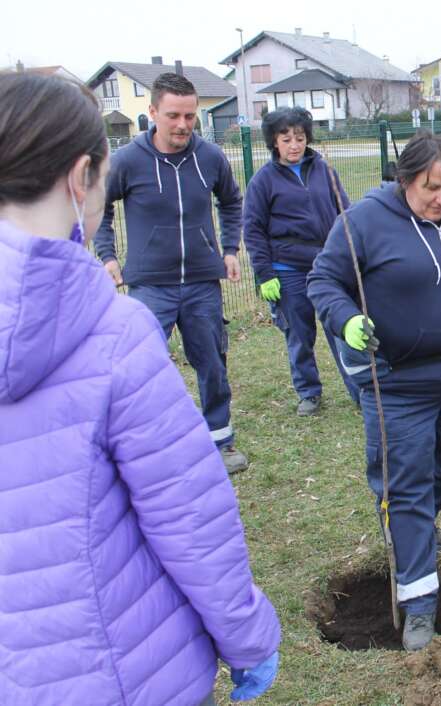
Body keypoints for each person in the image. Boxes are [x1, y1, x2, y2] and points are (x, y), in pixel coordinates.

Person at [0, 72, 279, 706]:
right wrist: (249, 639)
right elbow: (188, 517)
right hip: (130, 675)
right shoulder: (116, 336)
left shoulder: (208, 161)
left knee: (213, 364)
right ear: (83, 177)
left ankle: (224, 428)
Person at [307, 132, 441, 652]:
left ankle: (409, 520)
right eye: (430, 187)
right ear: (404, 178)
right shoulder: (363, 223)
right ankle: (418, 604)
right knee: (407, 484)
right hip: (398, 382)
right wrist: (347, 320)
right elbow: (323, 281)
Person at [94, 73, 248, 473]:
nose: (182, 125)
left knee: (212, 363)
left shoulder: (210, 157)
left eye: (190, 116)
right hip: (149, 286)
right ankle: (151, 446)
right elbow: (98, 209)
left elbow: (232, 202)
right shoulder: (127, 160)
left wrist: (229, 249)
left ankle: (221, 441)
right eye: (173, 115)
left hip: (202, 283)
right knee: (143, 369)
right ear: (152, 113)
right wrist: (108, 257)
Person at [242, 106, 359, 416]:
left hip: (327, 266)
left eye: (299, 137)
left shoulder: (324, 170)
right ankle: (309, 392)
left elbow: (344, 212)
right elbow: (252, 230)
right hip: (288, 269)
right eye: (286, 139)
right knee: (299, 335)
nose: (294, 145)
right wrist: (264, 274)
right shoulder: (262, 181)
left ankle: (360, 389)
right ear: (274, 142)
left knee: (342, 329)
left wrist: (350, 251)